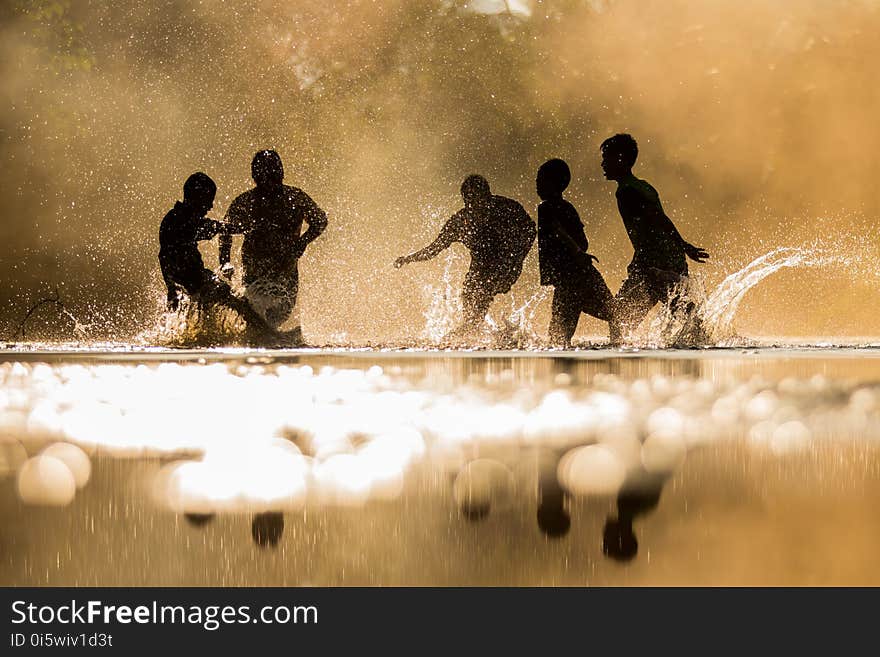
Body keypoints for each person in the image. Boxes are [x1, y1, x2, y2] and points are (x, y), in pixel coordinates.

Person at [394, 174, 536, 338]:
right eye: (468, 200)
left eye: (477, 198)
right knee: (469, 298)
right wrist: (408, 258)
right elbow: (434, 249)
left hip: (506, 264)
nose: (474, 205)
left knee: (481, 295)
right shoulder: (461, 221)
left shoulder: (505, 208)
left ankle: (468, 334)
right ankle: (495, 336)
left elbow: (530, 230)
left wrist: (517, 259)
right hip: (479, 268)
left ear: (488, 195)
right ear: (464, 199)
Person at [600, 134, 709, 344]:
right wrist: (681, 247)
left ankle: (618, 354)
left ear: (621, 159)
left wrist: (684, 244)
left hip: (654, 261)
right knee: (674, 307)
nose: (603, 163)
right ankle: (704, 336)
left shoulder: (627, 191)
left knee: (619, 318)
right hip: (667, 256)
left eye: (607, 158)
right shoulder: (644, 186)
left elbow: (657, 218)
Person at [219, 150, 328, 331]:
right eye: (264, 174)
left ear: (281, 174)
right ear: (255, 176)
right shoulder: (247, 201)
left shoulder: (294, 198)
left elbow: (321, 220)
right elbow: (225, 230)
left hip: (285, 276)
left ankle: (267, 343)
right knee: (259, 318)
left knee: (273, 317)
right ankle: (264, 343)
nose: (269, 179)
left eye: (273, 173)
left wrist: (303, 242)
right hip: (254, 276)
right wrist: (225, 262)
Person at [158, 172, 277, 336]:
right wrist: (248, 228)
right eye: (208, 200)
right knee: (241, 304)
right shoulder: (185, 220)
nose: (210, 206)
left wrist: (170, 286)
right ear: (197, 198)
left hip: (186, 281)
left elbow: (163, 256)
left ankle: (210, 337)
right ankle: (268, 335)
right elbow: (218, 227)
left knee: (204, 316)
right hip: (196, 280)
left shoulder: (173, 219)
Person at [536, 158, 615, 347]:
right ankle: (617, 346)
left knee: (557, 338)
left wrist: (576, 251)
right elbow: (583, 241)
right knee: (614, 315)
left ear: (554, 184)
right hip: (582, 274)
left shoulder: (546, 208)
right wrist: (579, 251)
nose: (537, 185)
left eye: (540, 180)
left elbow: (557, 230)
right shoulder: (568, 207)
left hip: (571, 279)